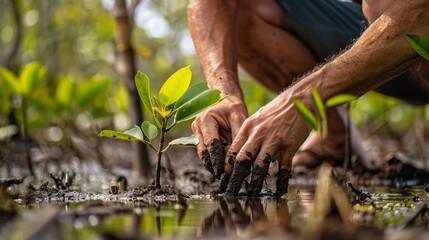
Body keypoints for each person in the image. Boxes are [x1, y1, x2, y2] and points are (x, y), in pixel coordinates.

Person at [187, 0, 429, 196]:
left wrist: (301, 100)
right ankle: (333, 133)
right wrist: (223, 94)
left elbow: (420, 17)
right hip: (363, 24)